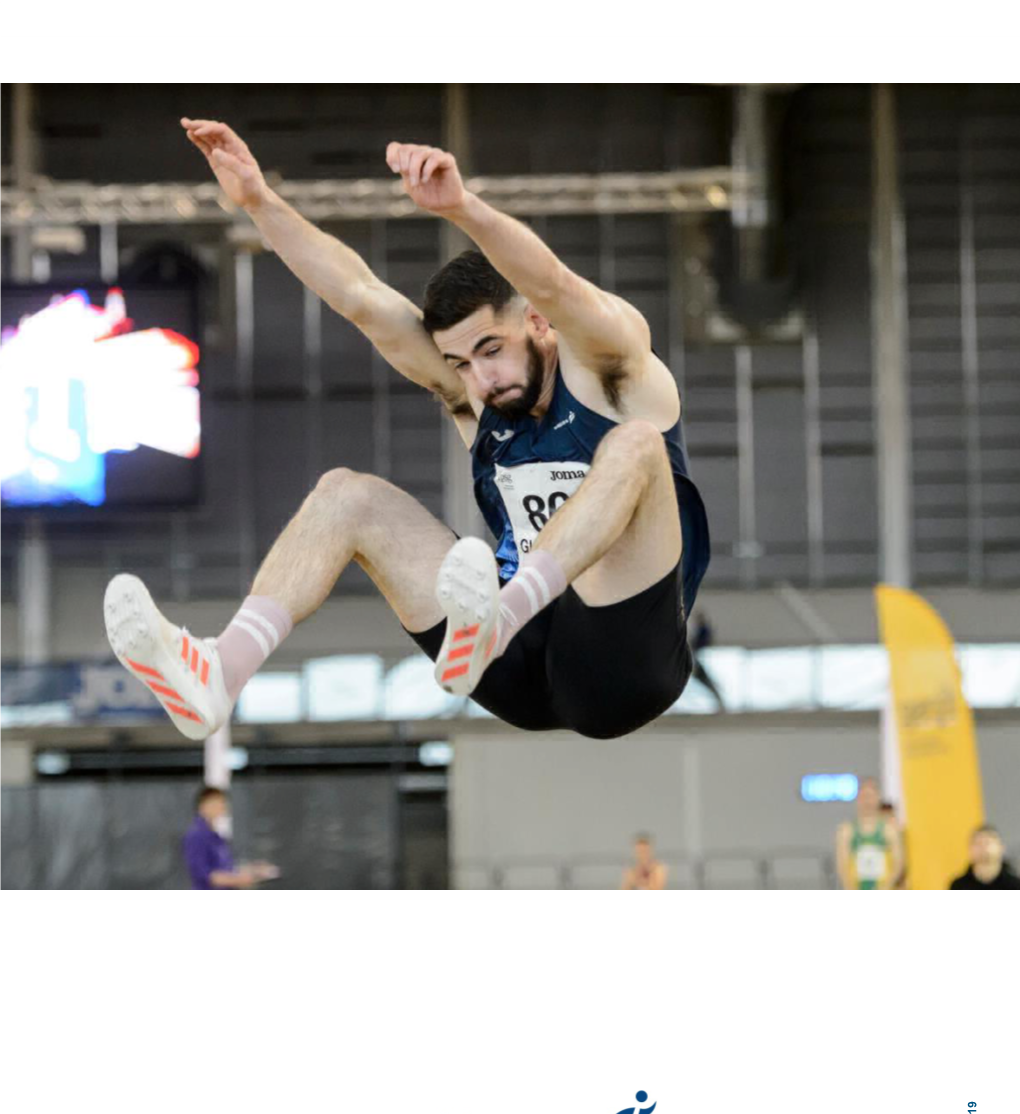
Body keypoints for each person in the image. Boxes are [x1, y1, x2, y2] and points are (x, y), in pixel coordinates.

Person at [104, 119, 709, 742]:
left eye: (491, 349)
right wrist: (260, 200)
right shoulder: (478, 398)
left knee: (636, 444)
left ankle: (500, 615)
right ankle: (220, 671)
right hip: (513, 669)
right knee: (347, 495)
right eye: (460, 363)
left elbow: (554, 283)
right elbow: (361, 298)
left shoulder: (616, 373)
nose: (480, 379)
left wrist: (462, 208)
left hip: (625, 661)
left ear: (539, 323)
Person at [182, 785, 278, 890]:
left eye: (223, 802)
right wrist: (240, 880)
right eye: (215, 802)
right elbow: (206, 876)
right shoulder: (196, 836)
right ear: (202, 806)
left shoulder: (217, 837)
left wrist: (253, 870)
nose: (221, 806)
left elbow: (226, 868)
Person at [835, 777, 902, 890]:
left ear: (878, 798)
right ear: (858, 799)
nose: (867, 801)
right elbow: (842, 866)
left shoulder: (889, 831)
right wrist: (851, 888)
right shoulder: (846, 831)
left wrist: (885, 887)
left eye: (871, 796)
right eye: (864, 797)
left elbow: (898, 863)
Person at [949, 826, 1020, 890]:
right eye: (978, 843)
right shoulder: (958, 887)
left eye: (988, 842)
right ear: (970, 849)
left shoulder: (1015, 886)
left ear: (1001, 848)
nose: (983, 847)